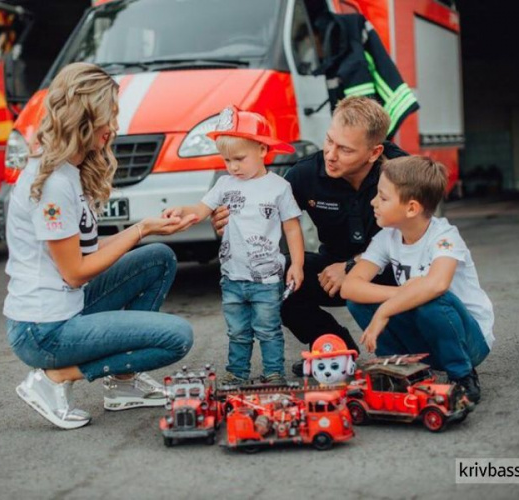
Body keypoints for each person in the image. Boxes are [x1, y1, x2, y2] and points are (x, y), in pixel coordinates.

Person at [3, 62, 198, 429]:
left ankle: (123, 385)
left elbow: (84, 253)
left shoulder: (69, 171)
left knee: (158, 259)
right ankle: (54, 379)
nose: (113, 128)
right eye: (109, 116)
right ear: (84, 118)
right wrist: (140, 229)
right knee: (176, 337)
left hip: (65, 309)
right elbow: (75, 272)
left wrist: (151, 230)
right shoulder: (53, 184)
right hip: (43, 331)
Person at [211, 96, 405, 376]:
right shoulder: (305, 175)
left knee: (423, 284)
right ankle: (334, 347)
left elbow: (415, 238)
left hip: (392, 272)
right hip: (329, 272)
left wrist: (352, 267)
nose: (331, 155)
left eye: (345, 150)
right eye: (329, 141)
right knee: (278, 277)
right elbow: (263, 210)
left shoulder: (401, 172)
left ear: (374, 153)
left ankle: (419, 348)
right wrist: (227, 221)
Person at [163, 106, 304, 386]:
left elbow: (292, 227)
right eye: (227, 160)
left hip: (267, 278)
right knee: (238, 331)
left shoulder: (278, 187)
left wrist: (297, 264)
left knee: (268, 329)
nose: (233, 167)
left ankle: (274, 373)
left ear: (263, 150)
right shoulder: (225, 184)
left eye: (239, 159)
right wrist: (182, 211)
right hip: (232, 277)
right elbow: (201, 209)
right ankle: (237, 373)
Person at [341, 156, 493, 403]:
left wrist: (385, 311)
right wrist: (400, 295)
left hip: (468, 339)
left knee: (431, 300)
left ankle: (462, 374)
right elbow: (350, 287)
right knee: (360, 302)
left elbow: (437, 284)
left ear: (412, 208)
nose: (373, 202)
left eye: (383, 197)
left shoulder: (444, 237)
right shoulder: (387, 237)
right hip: (426, 337)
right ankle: (398, 370)